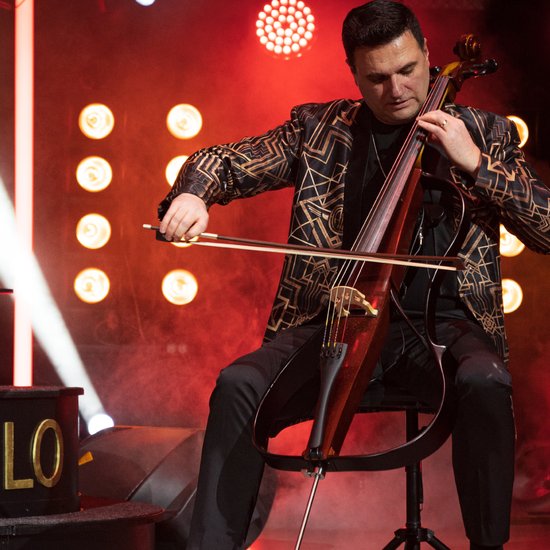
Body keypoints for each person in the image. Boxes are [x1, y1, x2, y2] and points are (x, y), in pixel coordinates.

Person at [157, 1, 550, 548]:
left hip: (441, 332)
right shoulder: (319, 130)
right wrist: (194, 193)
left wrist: (476, 165)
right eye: (377, 78)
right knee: (238, 385)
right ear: (354, 73)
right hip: (337, 322)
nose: (397, 90)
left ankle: (489, 545)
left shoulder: (486, 133)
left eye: (408, 70)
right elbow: (221, 161)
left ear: (428, 54)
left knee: (486, 382)